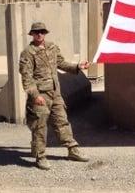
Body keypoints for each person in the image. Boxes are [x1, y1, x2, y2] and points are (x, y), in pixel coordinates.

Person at [19, 22, 90, 170]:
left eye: (42, 32)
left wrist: (77, 66)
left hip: (55, 93)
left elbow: (61, 63)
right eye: (36, 32)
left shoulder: (52, 47)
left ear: (45, 33)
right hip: (40, 95)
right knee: (40, 126)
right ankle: (40, 156)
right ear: (32, 34)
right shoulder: (27, 53)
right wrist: (34, 95)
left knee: (61, 121)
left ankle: (72, 149)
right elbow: (27, 78)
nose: (39, 34)